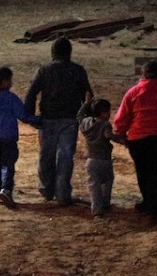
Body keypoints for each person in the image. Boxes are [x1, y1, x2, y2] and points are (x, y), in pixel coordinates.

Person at [113, 60, 157, 225]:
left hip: (138, 139)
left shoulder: (133, 92)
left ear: (143, 74)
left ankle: (148, 203)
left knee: (143, 173)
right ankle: (153, 209)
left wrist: (120, 133)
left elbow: (122, 118)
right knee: (156, 175)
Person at [24, 37, 93, 206]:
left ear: (52, 53)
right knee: (65, 156)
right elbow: (88, 96)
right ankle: (62, 194)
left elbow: (31, 94)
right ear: (69, 52)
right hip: (70, 118)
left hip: (48, 118)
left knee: (46, 155)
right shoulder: (78, 70)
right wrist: (87, 118)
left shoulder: (43, 71)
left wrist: (31, 116)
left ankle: (47, 190)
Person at [0, 66, 41, 209]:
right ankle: (6, 190)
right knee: (8, 166)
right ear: (5, 81)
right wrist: (39, 121)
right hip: (8, 139)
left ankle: (0, 192)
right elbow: (22, 115)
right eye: (10, 80)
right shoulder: (10, 98)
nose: (12, 83)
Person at [77, 97, 125, 217]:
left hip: (90, 160)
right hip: (104, 159)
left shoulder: (86, 123)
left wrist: (87, 103)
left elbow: (79, 115)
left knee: (94, 186)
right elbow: (108, 135)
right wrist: (123, 141)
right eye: (107, 111)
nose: (109, 114)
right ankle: (105, 204)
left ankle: (97, 210)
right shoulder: (105, 124)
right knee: (107, 182)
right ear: (103, 113)